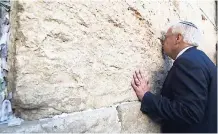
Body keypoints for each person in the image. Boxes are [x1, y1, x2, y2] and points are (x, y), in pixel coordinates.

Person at [131, 21, 217, 133]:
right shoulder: (202, 59)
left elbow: (189, 112)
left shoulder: (187, 62)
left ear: (178, 38)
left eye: (165, 37)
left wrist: (147, 97)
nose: (163, 41)